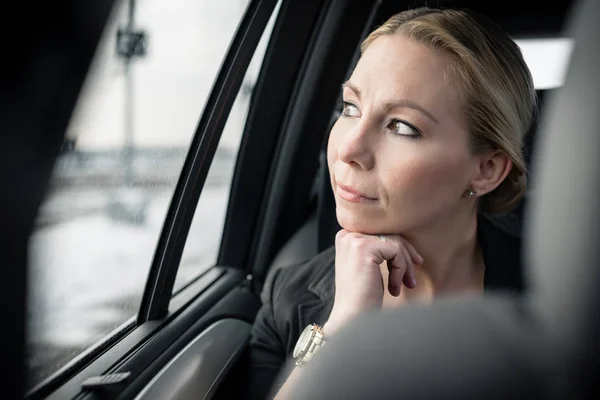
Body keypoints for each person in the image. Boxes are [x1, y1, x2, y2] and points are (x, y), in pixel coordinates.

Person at [241, 6, 537, 399]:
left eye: (402, 126)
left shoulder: (563, 300)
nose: (348, 148)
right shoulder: (288, 299)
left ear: (485, 170)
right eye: (350, 108)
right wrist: (341, 331)